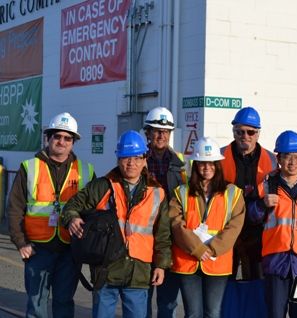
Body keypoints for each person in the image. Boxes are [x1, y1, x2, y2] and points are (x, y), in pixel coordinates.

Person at [62, 130, 171, 318]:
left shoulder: (157, 193)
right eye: (126, 158)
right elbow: (72, 205)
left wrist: (161, 265)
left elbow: (163, 235)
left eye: (137, 158)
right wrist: (72, 217)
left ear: (145, 159)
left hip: (138, 272)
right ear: (118, 159)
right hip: (106, 269)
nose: (131, 163)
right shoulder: (102, 186)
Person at [8, 112, 95, 318]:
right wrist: (21, 243)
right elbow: (14, 208)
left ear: (73, 142)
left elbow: (94, 211)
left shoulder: (86, 171)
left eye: (67, 138)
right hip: (37, 250)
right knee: (36, 305)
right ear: (48, 138)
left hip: (69, 250)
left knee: (64, 303)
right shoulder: (29, 168)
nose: (62, 142)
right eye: (57, 136)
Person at [248, 130, 297, 318]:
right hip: (276, 261)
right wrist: (260, 204)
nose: (292, 162)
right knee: (275, 313)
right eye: (287, 157)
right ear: (279, 158)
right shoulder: (267, 185)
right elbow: (250, 216)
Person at [170, 137, 245, 318]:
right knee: (193, 313)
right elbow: (175, 223)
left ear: (218, 164)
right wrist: (196, 248)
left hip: (217, 261)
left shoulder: (233, 193)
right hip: (188, 262)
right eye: (202, 163)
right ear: (195, 164)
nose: (207, 167)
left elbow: (235, 226)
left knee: (213, 312)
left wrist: (211, 249)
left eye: (211, 163)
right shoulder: (181, 192)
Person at [221, 106, 277, 280]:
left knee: (256, 283)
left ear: (258, 133)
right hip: (226, 229)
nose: (245, 136)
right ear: (233, 132)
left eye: (250, 132)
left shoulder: (271, 159)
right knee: (225, 283)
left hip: (257, 232)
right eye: (240, 132)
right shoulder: (220, 156)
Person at [143, 106, 188, 318]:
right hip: (142, 235)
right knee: (141, 298)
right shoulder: (137, 159)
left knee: (168, 301)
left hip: (169, 239)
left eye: (165, 131)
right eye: (156, 130)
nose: (161, 135)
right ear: (147, 133)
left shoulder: (180, 163)